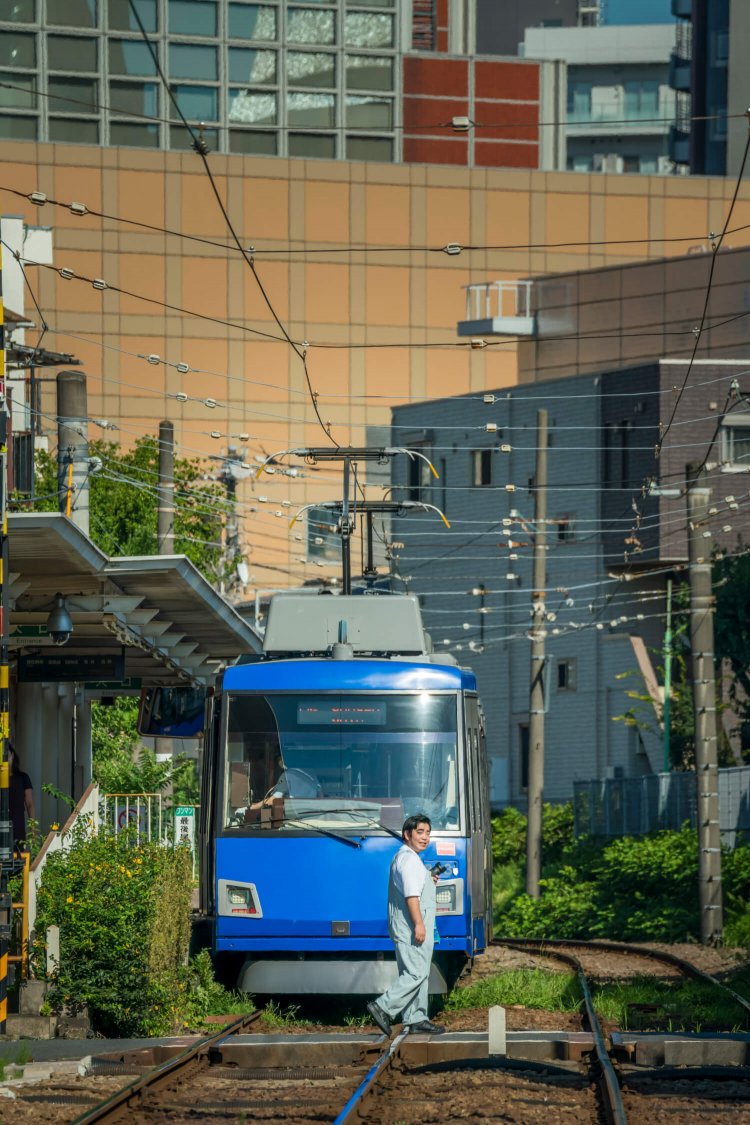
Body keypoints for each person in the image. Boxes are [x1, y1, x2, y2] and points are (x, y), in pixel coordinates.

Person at [367, 813, 445, 1036]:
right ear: (407, 834)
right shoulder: (409, 860)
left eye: (428, 833)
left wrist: (429, 880)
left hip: (408, 925)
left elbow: (414, 888)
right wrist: (419, 924)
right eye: (420, 832)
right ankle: (382, 1007)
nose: (425, 837)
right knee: (416, 973)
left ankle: (416, 1018)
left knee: (418, 972)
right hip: (411, 926)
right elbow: (412, 896)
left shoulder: (408, 858)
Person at [8, 746, 34, 852]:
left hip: (17, 825)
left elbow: (29, 804)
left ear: (12, 755)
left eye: (7, 754)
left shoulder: (23, 777)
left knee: (18, 855)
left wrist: (32, 830)